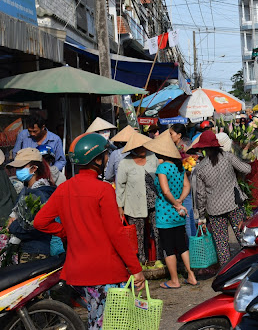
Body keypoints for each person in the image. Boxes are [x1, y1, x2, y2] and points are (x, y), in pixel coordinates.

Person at [34, 133, 144, 330]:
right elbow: (116, 234)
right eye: (105, 155)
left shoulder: (63, 188)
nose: (108, 159)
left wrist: (64, 232)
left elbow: (40, 221)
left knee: (95, 320)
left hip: (77, 271)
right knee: (110, 325)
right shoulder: (103, 190)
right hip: (105, 271)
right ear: (97, 159)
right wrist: (136, 269)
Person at [144, 134, 198, 289]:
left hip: (165, 213)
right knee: (181, 245)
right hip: (178, 213)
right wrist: (180, 201)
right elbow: (187, 186)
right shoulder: (179, 166)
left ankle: (174, 280)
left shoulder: (162, 168)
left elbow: (165, 191)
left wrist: (175, 203)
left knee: (168, 247)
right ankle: (191, 275)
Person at [190, 131, 251, 266]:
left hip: (214, 210)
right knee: (243, 238)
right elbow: (247, 169)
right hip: (233, 204)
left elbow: (201, 195)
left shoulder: (201, 168)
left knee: (221, 244)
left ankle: (226, 271)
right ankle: (248, 265)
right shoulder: (228, 157)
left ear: (204, 148)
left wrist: (201, 216)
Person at [116, 131, 160, 263]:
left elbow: (159, 177)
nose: (144, 149)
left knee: (158, 232)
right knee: (138, 236)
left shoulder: (152, 157)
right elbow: (120, 186)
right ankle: (140, 262)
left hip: (155, 202)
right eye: (140, 147)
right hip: (134, 204)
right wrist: (120, 207)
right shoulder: (125, 163)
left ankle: (160, 260)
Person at [7, 148, 55, 263]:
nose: (17, 171)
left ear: (34, 168)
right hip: (29, 249)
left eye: (20, 167)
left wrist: (13, 227)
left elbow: (36, 227)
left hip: (37, 252)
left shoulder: (40, 193)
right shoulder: (28, 190)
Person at [169, 123, 196, 237]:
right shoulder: (176, 147)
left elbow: (191, 165)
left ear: (179, 135)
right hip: (180, 186)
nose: (170, 136)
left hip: (186, 186)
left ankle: (193, 246)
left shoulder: (184, 147)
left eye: (171, 133)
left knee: (188, 218)